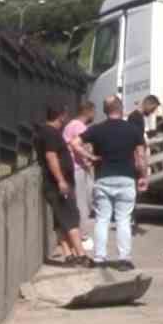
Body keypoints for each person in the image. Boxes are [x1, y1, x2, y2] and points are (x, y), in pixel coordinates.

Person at [83, 95, 148, 270]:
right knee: (123, 220)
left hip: (103, 178)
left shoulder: (96, 129)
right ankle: (124, 260)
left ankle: (99, 259)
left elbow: (74, 142)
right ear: (120, 109)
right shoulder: (133, 130)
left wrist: (90, 157)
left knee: (102, 219)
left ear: (105, 110)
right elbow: (140, 157)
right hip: (126, 179)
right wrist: (143, 176)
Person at [32, 102, 88, 266]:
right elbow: (51, 157)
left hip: (54, 183)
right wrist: (61, 181)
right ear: (61, 115)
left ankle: (69, 255)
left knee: (61, 220)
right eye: (65, 114)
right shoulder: (50, 133)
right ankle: (81, 255)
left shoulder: (46, 132)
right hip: (58, 184)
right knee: (71, 218)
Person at [63, 100, 98, 252]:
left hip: (79, 168)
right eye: (93, 111)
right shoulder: (78, 126)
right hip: (77, 168)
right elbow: (77, 146)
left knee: (87, 199)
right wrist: (90, 157)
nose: (94, 115)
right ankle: (82, 236)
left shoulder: (72, 125)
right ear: (88, 111)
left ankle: (81, 234)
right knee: (82, 202)